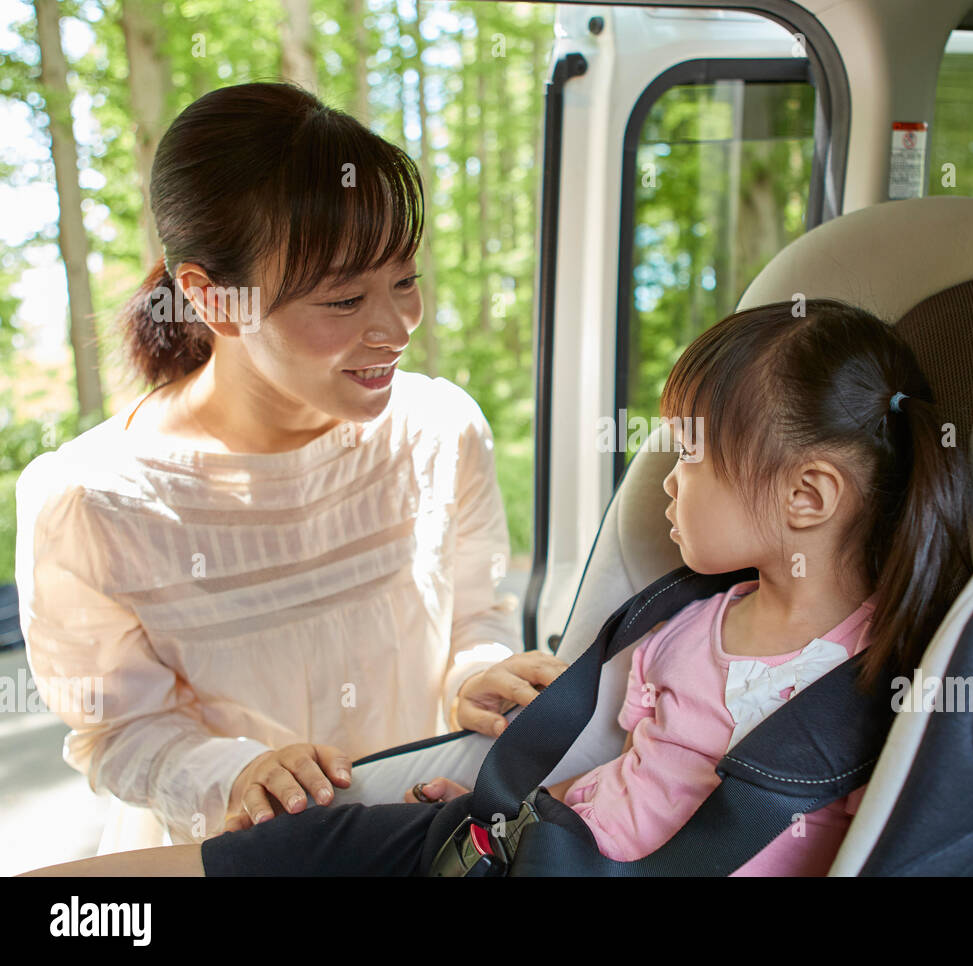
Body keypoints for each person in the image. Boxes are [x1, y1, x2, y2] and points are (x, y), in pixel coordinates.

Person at [20, 297, 973, 877]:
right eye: (345, 298)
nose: (666, 481)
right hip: (537, 844)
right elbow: (633, 777)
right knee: (296, 851)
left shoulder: (893, 681)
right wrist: (511, 811)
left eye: (689, 457)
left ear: (808, 496)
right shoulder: (683, 627)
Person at [12, 81, 565, 856]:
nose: (395, 328)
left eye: (405, 281)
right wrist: (239, 774)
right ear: (213, 299)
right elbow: (120, 734)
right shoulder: (92, 502)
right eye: (343, 301)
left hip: (416, 841)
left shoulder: (440, 430)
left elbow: (475, 615)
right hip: (235, 862)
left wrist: (478, 676)